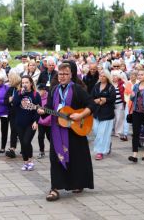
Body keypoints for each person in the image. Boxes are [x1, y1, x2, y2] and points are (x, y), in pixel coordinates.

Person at [37, 62, 95, 202]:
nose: (62, 77)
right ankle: (54, 188)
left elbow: (91, 104)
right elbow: (50, 107)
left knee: (76, 159)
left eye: (65, 74)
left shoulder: (77, 89)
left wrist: (81, 116)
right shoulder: (54, 90)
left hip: (74, 130)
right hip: (57, 129)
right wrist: (42, 111)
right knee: (55, 158)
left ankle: (78, 183)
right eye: (60, 74)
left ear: (71, 75)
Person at [12, 75, 41, 171]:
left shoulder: (36, 95)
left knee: (26, 141)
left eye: (26, 82)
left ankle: (30, 161)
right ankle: (25, 162)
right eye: (23, 83)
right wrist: (20, 94)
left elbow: (38, 109)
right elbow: (15, 104)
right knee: (23, 143)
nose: (24, 84)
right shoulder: (18, 93)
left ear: (31, 83)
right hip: (19, 122)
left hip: (30, 123)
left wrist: (36, 121)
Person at [91, 70, 115, 160]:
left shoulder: (110, 87)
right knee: (96, 131)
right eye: (100, 76)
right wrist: (96, 101)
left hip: (107, 113)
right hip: (97, 112)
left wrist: (104, 99)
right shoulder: (96, 86)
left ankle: (99, 152)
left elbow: (113, 99)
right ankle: (108, 144)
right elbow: (91, 97)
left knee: (101, 133)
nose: (102, 77)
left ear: (107, 77)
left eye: (104, 76)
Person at [4, 71, 22, 158]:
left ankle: (24, 148)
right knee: (13, 131)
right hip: (12, 114)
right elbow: (5, 101)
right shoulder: (11, 89)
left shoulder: (22, 89)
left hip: (22, 114)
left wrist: (14, 99)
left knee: (22, 131)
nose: (9, 81)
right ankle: (12, 149)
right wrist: (9, 100)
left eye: (10, 79)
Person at [122, 70, 139, 141]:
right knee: (127, 118)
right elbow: (126, 93)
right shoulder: (128, 83)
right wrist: (128, 101)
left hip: (138, 104)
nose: (132, 76)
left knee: (136, 119)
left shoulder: (138, 83)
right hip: (129, 103)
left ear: (136, 76)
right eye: (131, 75)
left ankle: (136, 133)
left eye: (134, 75)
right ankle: (125, 134)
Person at [37, 83, 51, 159]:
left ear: (44, 90)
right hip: (40, 121)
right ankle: (41, 151)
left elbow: (51, 109)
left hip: (49, 122)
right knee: (40, 137)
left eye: (40, 90)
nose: (39, 92)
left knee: (49, 137)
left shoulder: (49, 97)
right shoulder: (37, 98)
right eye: (38, 90)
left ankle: (54, 150)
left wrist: (48, 119)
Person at [111, 70, 125, 138]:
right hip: (111, 104)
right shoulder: (110, 84)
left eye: (115, 76)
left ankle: (118, 132)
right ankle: (112, 131)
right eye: (113, 76)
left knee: (119, 118)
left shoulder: (122, 84)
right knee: (112, 119)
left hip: (120, 103)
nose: (114, 77)